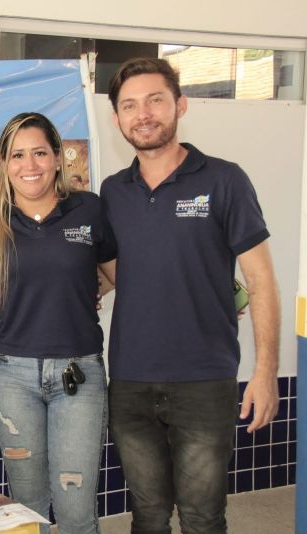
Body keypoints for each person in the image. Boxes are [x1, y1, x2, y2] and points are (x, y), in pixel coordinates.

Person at [100, 57, 280, 534]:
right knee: (148, 517)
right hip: (131, 382)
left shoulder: (224, 180)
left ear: (179, 105)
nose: (144, 114)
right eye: (130, 105)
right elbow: (122, 270)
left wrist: (264, 374)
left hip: (204, 381)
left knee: (202, 518)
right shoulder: (112, 192)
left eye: (155, 100)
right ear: (117, 118)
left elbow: (261, 280)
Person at [0, 112, 114, 533]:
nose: (29, 165)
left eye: (39, 152)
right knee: (28, 507)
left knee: (75, 510)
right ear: (3, 164)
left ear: (57, 158)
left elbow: (114, 274)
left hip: (80, 373)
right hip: (13, 377)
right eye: (17, 155)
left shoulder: (87, 208)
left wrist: (83, 293)